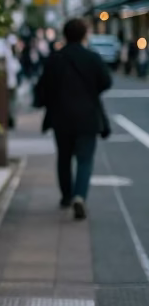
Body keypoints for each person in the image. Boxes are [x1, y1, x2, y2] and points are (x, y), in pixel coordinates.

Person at [35, 17, 111, 220]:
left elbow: (44, 87)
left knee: (64, 157)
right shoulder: (92, 58)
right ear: (84, 34)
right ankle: (80, 195)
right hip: (87, 116)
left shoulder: (55, 58)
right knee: (85, 159)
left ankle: (66, 196)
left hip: (61, 116)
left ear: (65, 35)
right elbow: (106, 82)